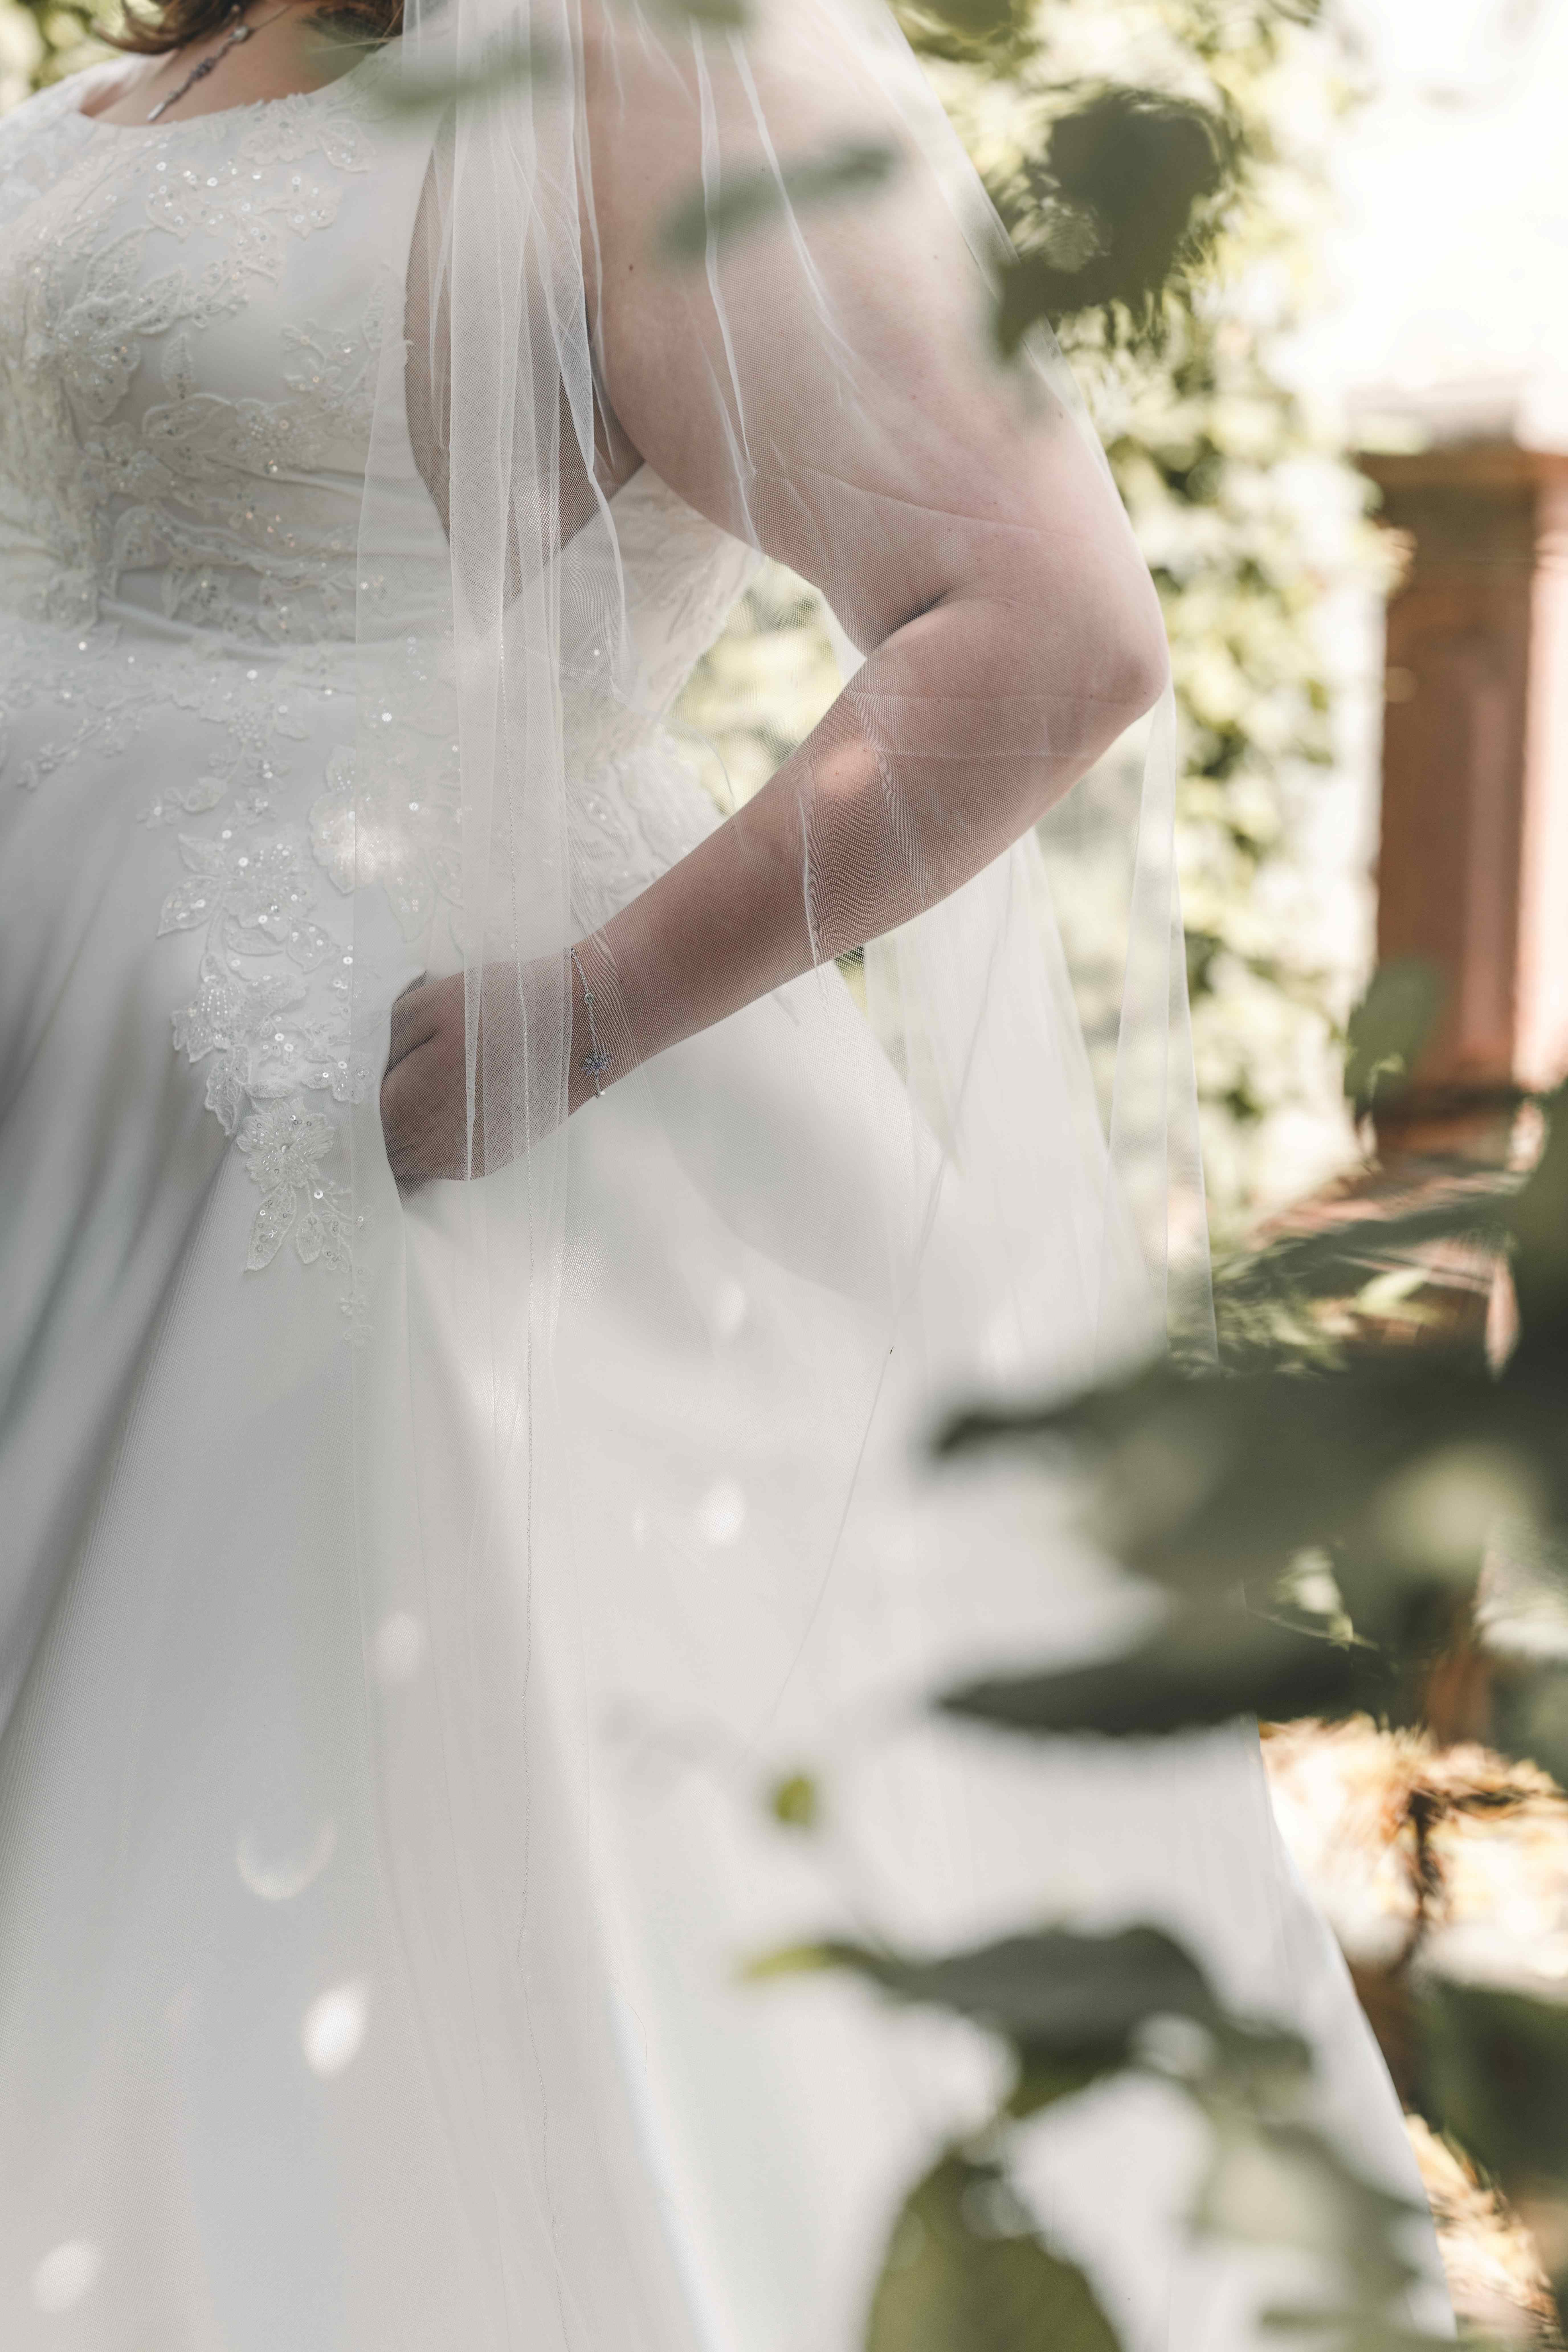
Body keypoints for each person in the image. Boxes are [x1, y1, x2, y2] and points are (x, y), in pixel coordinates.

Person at [0, 0, 1449, 2343]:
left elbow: (1047, 631)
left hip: (358, 1156)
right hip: (48, 1088)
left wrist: (585, 1014)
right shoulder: (160, 70)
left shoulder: (646, 68)